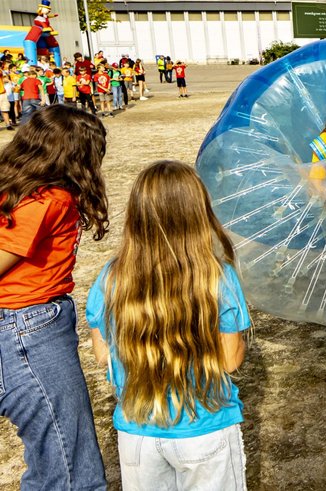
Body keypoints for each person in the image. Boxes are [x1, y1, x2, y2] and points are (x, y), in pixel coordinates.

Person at [87, 160, 252, 491]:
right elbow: (229, 360)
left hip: (137, 432)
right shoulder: (219, 277)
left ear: (136, 216)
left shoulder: (111, 277)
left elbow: (103, 355)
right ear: (198, 214)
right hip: (204, 427)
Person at [0, 104, 110, 489]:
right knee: (69, 464)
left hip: (22, 324)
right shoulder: (48, 199)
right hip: (28, 327)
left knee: (52, 458)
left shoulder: (18, 187)